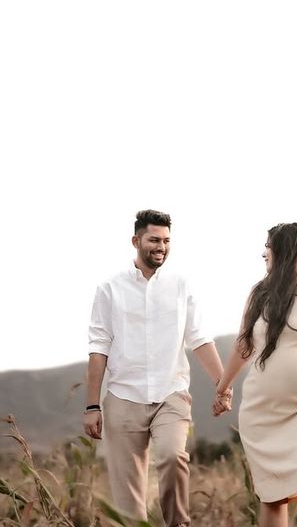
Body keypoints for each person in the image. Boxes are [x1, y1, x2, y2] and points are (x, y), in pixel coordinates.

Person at [83, 209, 227, 527]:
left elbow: (199, 338)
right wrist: (92, 405)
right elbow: (98, 348)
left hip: (170, 394)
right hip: (123, 397)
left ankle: (179, 524)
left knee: (173, 458)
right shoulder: (110, 288)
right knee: (128, 501)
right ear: (136, 241)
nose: (160, 246)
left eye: (166, 241)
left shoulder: (181, 285)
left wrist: (223, 384)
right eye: (153, 240)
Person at [213, 222, 297, 527]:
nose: (263, 254)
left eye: (268, 248)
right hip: (262, 411)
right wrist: (222, 389)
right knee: (272, 496)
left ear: (283, 250)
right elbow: (244, 345)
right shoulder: (260, 293)